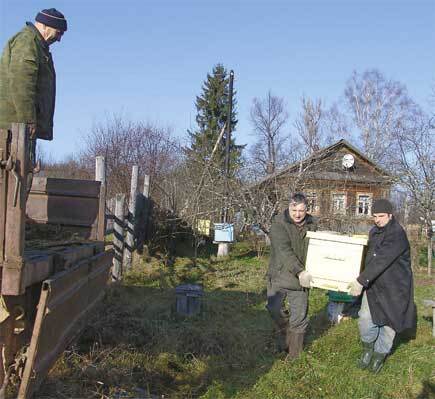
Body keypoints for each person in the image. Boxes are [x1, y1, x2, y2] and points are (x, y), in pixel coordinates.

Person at [348, 199, 416, 373]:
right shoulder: (374, 232)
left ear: (390, 215)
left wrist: (360, 281)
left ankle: (379, 355)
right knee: (365, 318)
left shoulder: (397, 234)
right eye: (375, 216)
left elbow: (382, 260)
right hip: (375, 285)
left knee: (389, 325)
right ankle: (367, 350)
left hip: (395, 288)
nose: (377, 220)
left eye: (381, 216)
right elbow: (369, 258)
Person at [0, 8, 68, 171]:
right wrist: (28, 121)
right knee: (13, 184)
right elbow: (22, 83)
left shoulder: (37, 45)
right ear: (45, 26)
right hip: (13, 129)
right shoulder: (27, 42)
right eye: (58, 32)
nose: (59, 39)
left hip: (18, 127)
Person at [266, 193, 316, 358]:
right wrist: (299, 270)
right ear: (289, 208)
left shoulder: (312, 225)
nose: (297, 214)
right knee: (274, 310)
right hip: (280, 275)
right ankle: (285, 338)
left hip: (301, 281)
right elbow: (284, 251)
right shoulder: (278, 224)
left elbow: (319, 248)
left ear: (307, 210)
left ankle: (294, 356)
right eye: (294, 209)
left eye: (301, 210)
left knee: (299, 318)